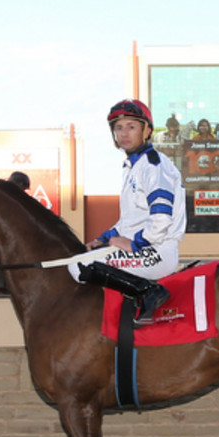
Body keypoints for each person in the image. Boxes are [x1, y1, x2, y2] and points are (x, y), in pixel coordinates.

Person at [72, 99, 187, 324]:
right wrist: (103, 238)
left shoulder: (153, 165)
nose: (124, 133)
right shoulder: (132, 167)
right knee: (83, 257)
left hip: (157, 251)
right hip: (148, 249)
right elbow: (130, 221)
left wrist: (134, 244)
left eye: (131, 126)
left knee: (78, 265)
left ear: (147, 130)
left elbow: (162, 218)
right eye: (118, 127)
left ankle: (148, 292)